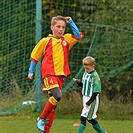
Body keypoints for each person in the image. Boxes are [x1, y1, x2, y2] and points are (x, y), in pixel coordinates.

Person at [28, 15, 83, 133]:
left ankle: (45, 131)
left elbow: (77, 36)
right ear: (52, 27)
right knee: (57, 96)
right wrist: (30, 71)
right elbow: (35, 56)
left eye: (63, 27)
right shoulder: (45, 41)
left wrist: (71, 23)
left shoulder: (66, 40)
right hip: (49, 74)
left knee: (54, 104)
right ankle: (41, 118)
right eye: (58, 26)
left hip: (60, 76)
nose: (61, 29)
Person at [73, 56, 107, 133]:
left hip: (92, 99)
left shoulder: (95, 76)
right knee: (89, 119)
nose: (86, 70)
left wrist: (89, 102)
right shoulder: (85, 73)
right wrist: (79, 83)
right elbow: (84, 85)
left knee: (84, 117)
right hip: (85, 97)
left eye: (87, 68)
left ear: (93, 66)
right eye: (85, 68)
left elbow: (96, 91)